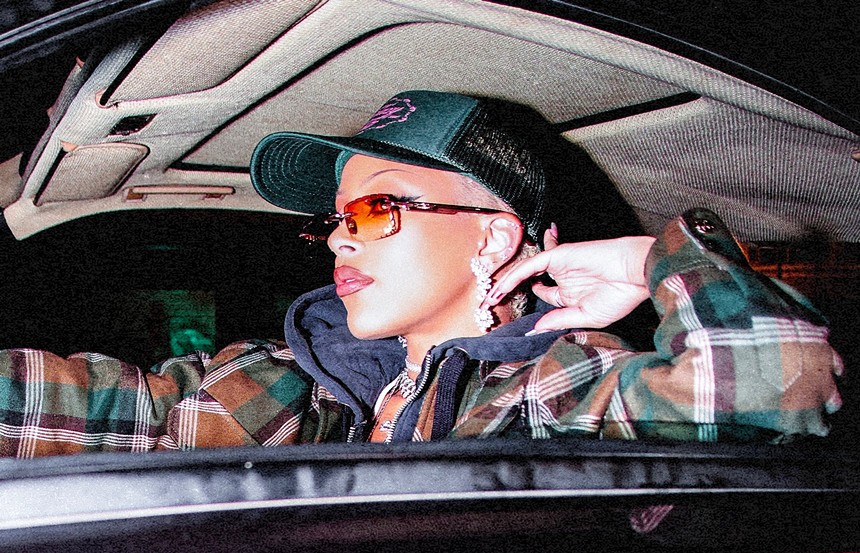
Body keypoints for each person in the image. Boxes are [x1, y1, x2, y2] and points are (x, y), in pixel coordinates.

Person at [0, 90, 843, 456]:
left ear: (494, 238)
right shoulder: (294, 378)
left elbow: (770, 381)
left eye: (374, 209)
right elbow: (112, 412)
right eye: (337, 219)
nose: (339, 241)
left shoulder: (543, 386)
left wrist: (651, 255)